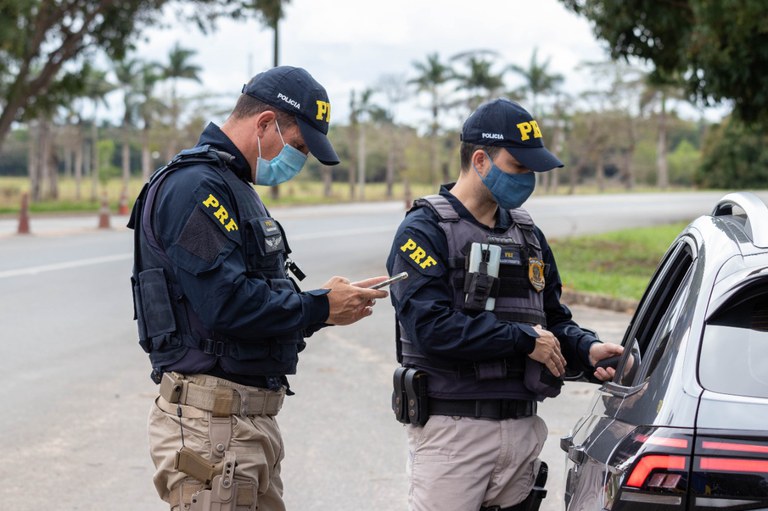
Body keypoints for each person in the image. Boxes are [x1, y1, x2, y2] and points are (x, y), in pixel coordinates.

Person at [128, 65, 388, 511]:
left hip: (242, 423)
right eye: (299, 146)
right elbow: (225, 305)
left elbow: (249, 300)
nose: (300, 160)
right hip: (213, 426)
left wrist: (324, 305)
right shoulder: (196, 187)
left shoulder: (232, 185)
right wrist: (319, 307)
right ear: (265, 123)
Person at [385, 98, 623, 511]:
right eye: (519, 168)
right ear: (480, 159)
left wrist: (585, 348)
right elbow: (431, 327)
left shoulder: (528, 235)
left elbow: (551, 320)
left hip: (521, 430)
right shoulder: (423, 230)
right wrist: (523, 340)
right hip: (454, 432)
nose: (528, 180)